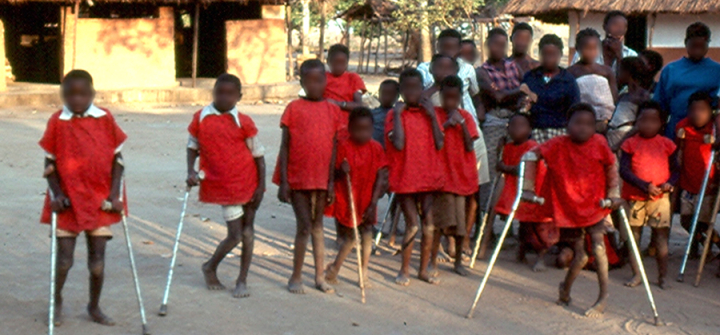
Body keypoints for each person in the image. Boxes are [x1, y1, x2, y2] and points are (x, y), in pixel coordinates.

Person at [40, 69, 127, 326]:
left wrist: (114, 194)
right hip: (67, 200)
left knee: (97, 263)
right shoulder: (57, 121)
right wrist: (56, 194)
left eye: (82, 94)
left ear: (92, 94)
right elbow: (49, 165)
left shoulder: (105, 118)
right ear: (62, 95)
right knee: (64, 261)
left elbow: (118, 161)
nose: (76, 100)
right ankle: (56, 302)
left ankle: (94, 306)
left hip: (100, 198)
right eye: (70, 95)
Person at [521, 103, 621, 318]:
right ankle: (565, 289)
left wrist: (614, 193)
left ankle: (603, 297)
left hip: (594, 205)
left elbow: (612, 164)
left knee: (598, 247)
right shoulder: (557, 144)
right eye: (578, 123)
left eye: (589, 124)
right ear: (567, 125)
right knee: (581, 255)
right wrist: (527, 189)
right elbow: (530, 156)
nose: (583, 128)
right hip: (568, 207)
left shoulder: (599, 143)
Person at [186, 74, 265, 298]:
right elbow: (192, 146)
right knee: (235, 235)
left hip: (248, 182)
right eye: (219, 92)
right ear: (213, 92)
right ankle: (210, 266)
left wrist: (260, 186)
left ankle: (242, 280)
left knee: (248, 232)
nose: (223, 97)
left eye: (230, 94)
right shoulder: (201, 117)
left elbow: (258, 155)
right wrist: (190, 170)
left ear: (239, 97)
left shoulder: (243, 121)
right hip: (225, 187)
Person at [273, 59, 342, 294]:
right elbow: (285, 146)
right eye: (309, 81)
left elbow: (334, 147)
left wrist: (331, 182)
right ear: (301, 82)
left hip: (322, 178)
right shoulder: (293, 108)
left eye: (319, 80)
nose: (315, 85)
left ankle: (319, 277)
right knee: (304, 227)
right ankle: (296, 276)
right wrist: (284, 181)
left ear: (325, 80)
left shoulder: (333, 110)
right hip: (297, 177)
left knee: (318, 226)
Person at [385, 68, 445, 286]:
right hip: (405, 178)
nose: (412, 92)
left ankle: (423, 270)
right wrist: (400, 114)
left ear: (423, 90)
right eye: (407, 88)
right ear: (400, 91)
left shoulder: (431, 114)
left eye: (416, 88)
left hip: (427, 176)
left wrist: (431, 116)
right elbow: (398, 143)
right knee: (412, 224)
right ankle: (404, 269)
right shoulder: (394, 115)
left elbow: (440, 142)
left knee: (429, 224)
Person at [325, 107, 389, 287]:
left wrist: (374, 201)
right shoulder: (343, 147)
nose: (362, 134)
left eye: (367, 130)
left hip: (367, 199)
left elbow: (381, 175)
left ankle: (364, 271)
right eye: (357, 130)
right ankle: (334, 269)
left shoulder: (376, 148)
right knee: (351, 237)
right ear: (350, 129)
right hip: (348, 198)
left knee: (367, 234)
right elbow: (333, 172)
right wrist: (340, 170)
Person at [618, 101, 678, 289]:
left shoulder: (667, 144)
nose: (648, 125)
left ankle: (662, 276)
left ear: (661, 123)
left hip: (660, 198)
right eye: (643, 120)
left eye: (653, 121)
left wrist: (670, 183)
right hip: (635, 197)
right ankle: (637, 274)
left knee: (661, 237)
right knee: (634, 237)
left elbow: (676, 170)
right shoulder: (630, 143)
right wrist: (644, 186)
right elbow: (624, 171)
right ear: (637, 122)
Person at [429, 75, 479, 277]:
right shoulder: (435, 115)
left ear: (460, 98)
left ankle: (458, 261)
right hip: (442, 178)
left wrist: (462, 125)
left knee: (460, 226)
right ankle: (432, 260)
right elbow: (435, 141)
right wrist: (447, 125)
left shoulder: (466, 117)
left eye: (454, 98)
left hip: (461, 177)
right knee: (441, 222)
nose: (450, 102)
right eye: (446, 97)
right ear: (440, 96)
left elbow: (469, 145)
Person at [495, 113, 556, 272]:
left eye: (521, 125)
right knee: (524, 226)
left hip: (535, 189)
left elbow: (522, 169)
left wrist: (505, 168)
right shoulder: (508, 147)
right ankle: (521, 252)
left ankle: (540, 257)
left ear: (529, 129)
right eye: (512, 126)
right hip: (517, 190)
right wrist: (499, 150)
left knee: (539, 228)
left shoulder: (532, 147)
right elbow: (500, 164)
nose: (516, 129)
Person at [477, 28, 531, 190]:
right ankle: (488, 207)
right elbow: (497, 96)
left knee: (517, 161)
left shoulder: (512, 66)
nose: (498, 49)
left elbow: (526, 88)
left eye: (503, 45)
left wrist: (521, 95)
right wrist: (519, 90)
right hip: (495, 119)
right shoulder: (482, 71)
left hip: (516, 118)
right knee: (492, 163)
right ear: (487, 45)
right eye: (495, 44)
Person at [655, 22, 720, 138]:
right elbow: (660, 105)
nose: (697, 50)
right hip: (675, 130)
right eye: (694, 45)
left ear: (708, 44)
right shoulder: (671, 70)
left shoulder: (717, 70)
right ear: (686, 43)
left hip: (706, 134)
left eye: (702, 46)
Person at [676, 92, 718, 260]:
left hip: (708, 185)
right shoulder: (683, 127)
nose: (697, 114)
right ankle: (700, 244)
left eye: (702, 110)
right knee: (686, 220)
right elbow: (678, 151)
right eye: (693, 109)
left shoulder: (715, 128)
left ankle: (712, 244)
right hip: (688, 183)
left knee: (704, 222)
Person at [523, 34, 581, 143]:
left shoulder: (568, 80)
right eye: (545, 54)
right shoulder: (530, 77)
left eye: (553, 55)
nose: (549, 58)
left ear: (560, 55)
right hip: (534, 133)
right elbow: (523, 105)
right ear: (539, 54)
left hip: (560, 133)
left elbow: (575, 110)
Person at [568, 28, 618, 133]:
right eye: (587, 48)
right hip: (581, 121)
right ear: (577, 48)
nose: (591, 52)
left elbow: (614, 98)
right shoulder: (571, 72)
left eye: (594, 48)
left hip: (604, 121)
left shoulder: (606, 71)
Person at [606, 57, 651, 149]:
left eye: (620, 70)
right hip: (613, 134)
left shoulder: (642, 95)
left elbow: (639, 124)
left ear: (627, 73)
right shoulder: (623, 93)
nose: (617, 74)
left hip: (626, 137)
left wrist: (621, 142)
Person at [571, 11, 638, 71]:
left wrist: (619, 55)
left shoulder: (632, 55)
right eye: (615, 25)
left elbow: (629, 81)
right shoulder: (585, 52)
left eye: (623, 27)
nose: (619, 30)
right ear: (604, 26)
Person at [324, 43, 367, 125]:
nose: (338, 66)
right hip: (325, 120)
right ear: (328, 61)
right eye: (336, 62)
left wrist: (338, 104)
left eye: (342, 62)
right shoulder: (322, 77)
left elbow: (358, 105)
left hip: (346, 123)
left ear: (347, 63)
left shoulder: (353, 78)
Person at [372, 79, 399, 147]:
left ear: (397, 96)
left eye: (390, 93)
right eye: (383, 93)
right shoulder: (372, 113)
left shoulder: (398, 113)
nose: (386, 97)